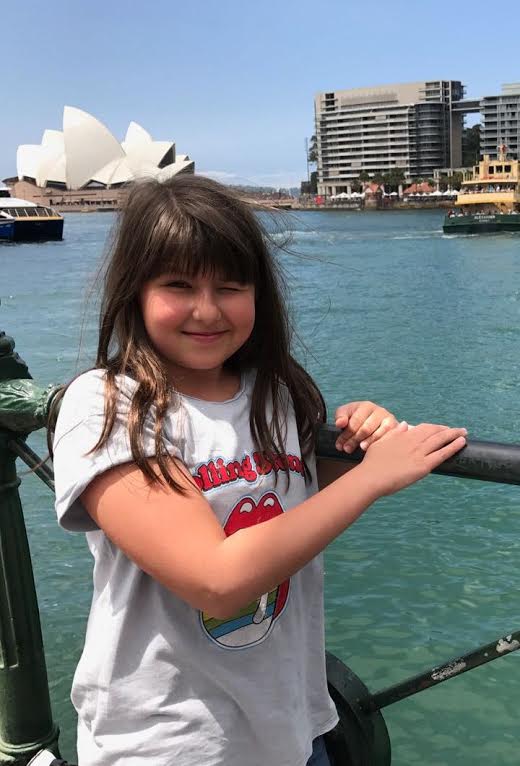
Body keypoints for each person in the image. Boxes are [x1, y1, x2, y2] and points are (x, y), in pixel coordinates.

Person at [48, 174, 466, 766]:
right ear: (134, 291)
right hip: (170, 743)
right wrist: (374, 478)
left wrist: (359, 440)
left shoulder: (273, 394)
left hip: (293, 730)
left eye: (230, 287)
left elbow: (293, 493)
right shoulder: (110, 405)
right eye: (178, 285)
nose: (207, 309)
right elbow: (215, 580)